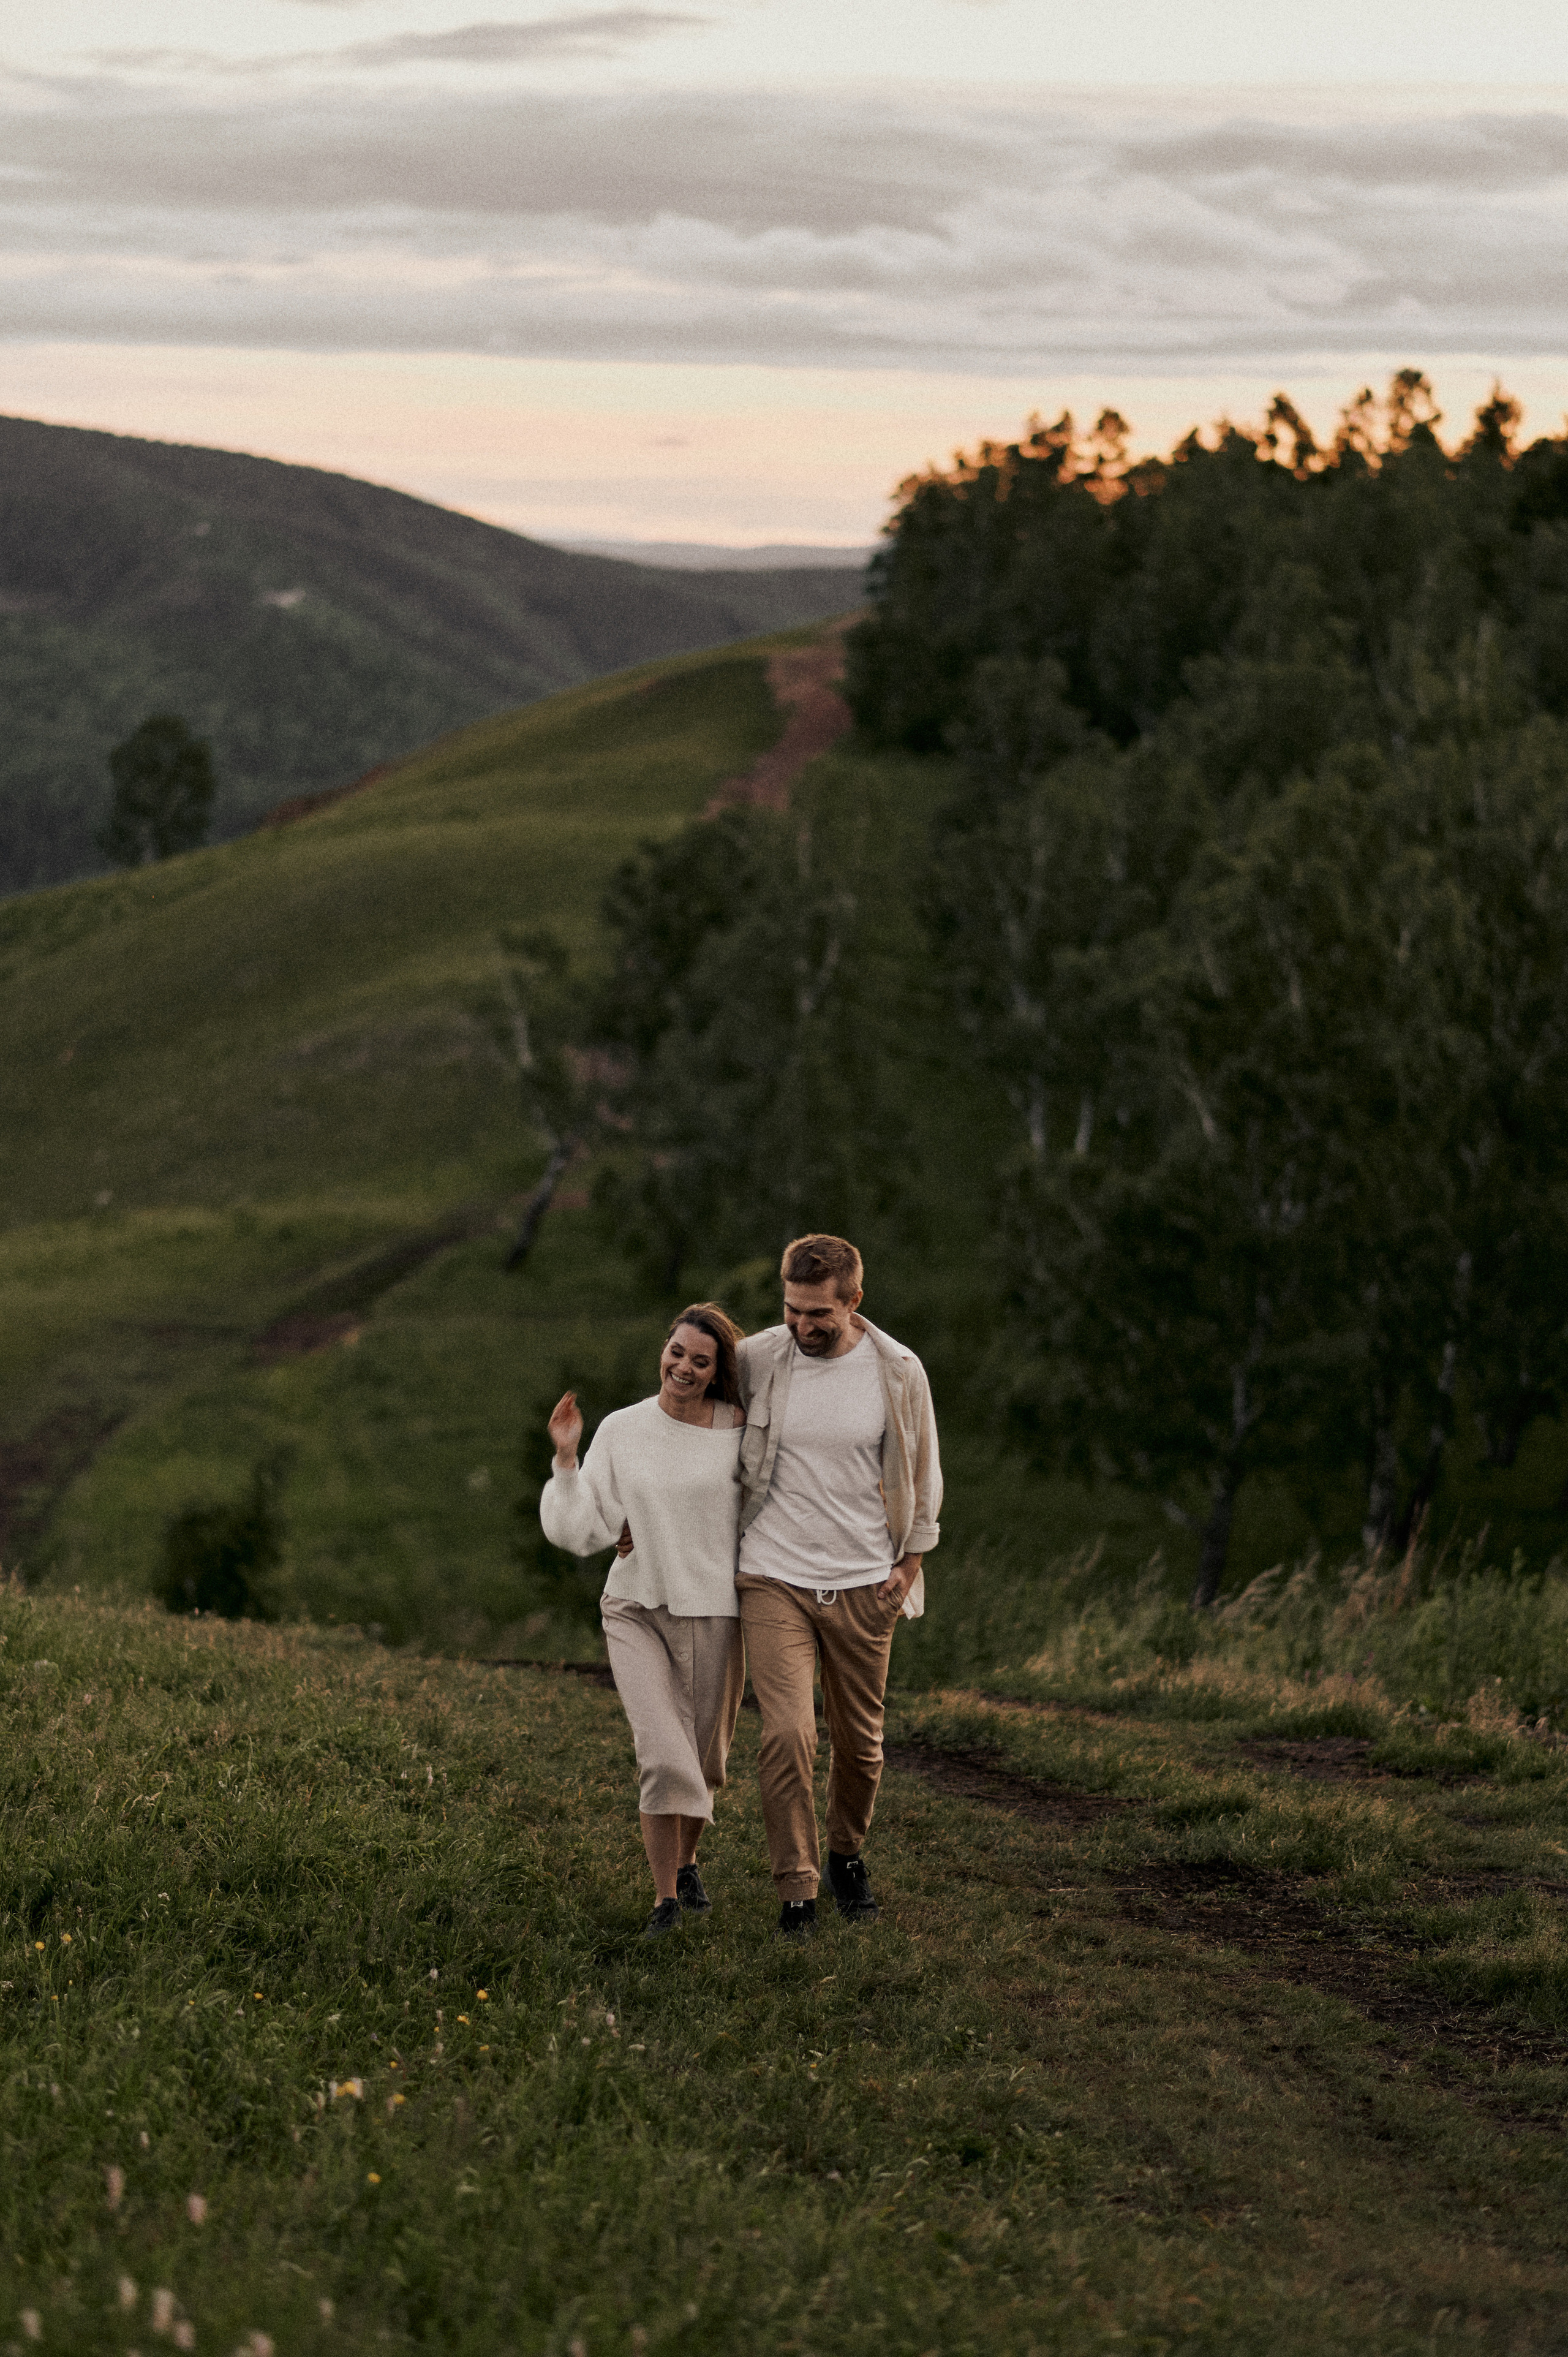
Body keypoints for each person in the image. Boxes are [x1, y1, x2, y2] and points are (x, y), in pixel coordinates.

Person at [735, 1233, 941, 1939]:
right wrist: (631, 1505)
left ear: (854, 1301)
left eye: (818, 1313)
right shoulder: (758, 1358)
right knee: (787, 1734)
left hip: (863, 1582)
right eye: (792, 1310)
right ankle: (796, 1891)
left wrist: (910, 1562)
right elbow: (690, 1425)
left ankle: (846, 1855)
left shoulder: (898, 1369)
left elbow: (923, 1470)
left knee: (860, 1745)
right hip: (771, 1575)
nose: (802, 1326)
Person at [540, 1304, 746, 1940]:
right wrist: (568, 1461)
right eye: (675, 1351)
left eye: (699, 1360)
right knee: (664, 1755)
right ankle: (663, 1902)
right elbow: (586, 1528)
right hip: (636, 1606)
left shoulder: (743, 1430)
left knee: (705, 1763)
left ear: (717, 1373)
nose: (682, 1366)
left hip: (718, 1612)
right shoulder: (624, 1429)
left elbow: (770, 1510)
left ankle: (686, 1864)